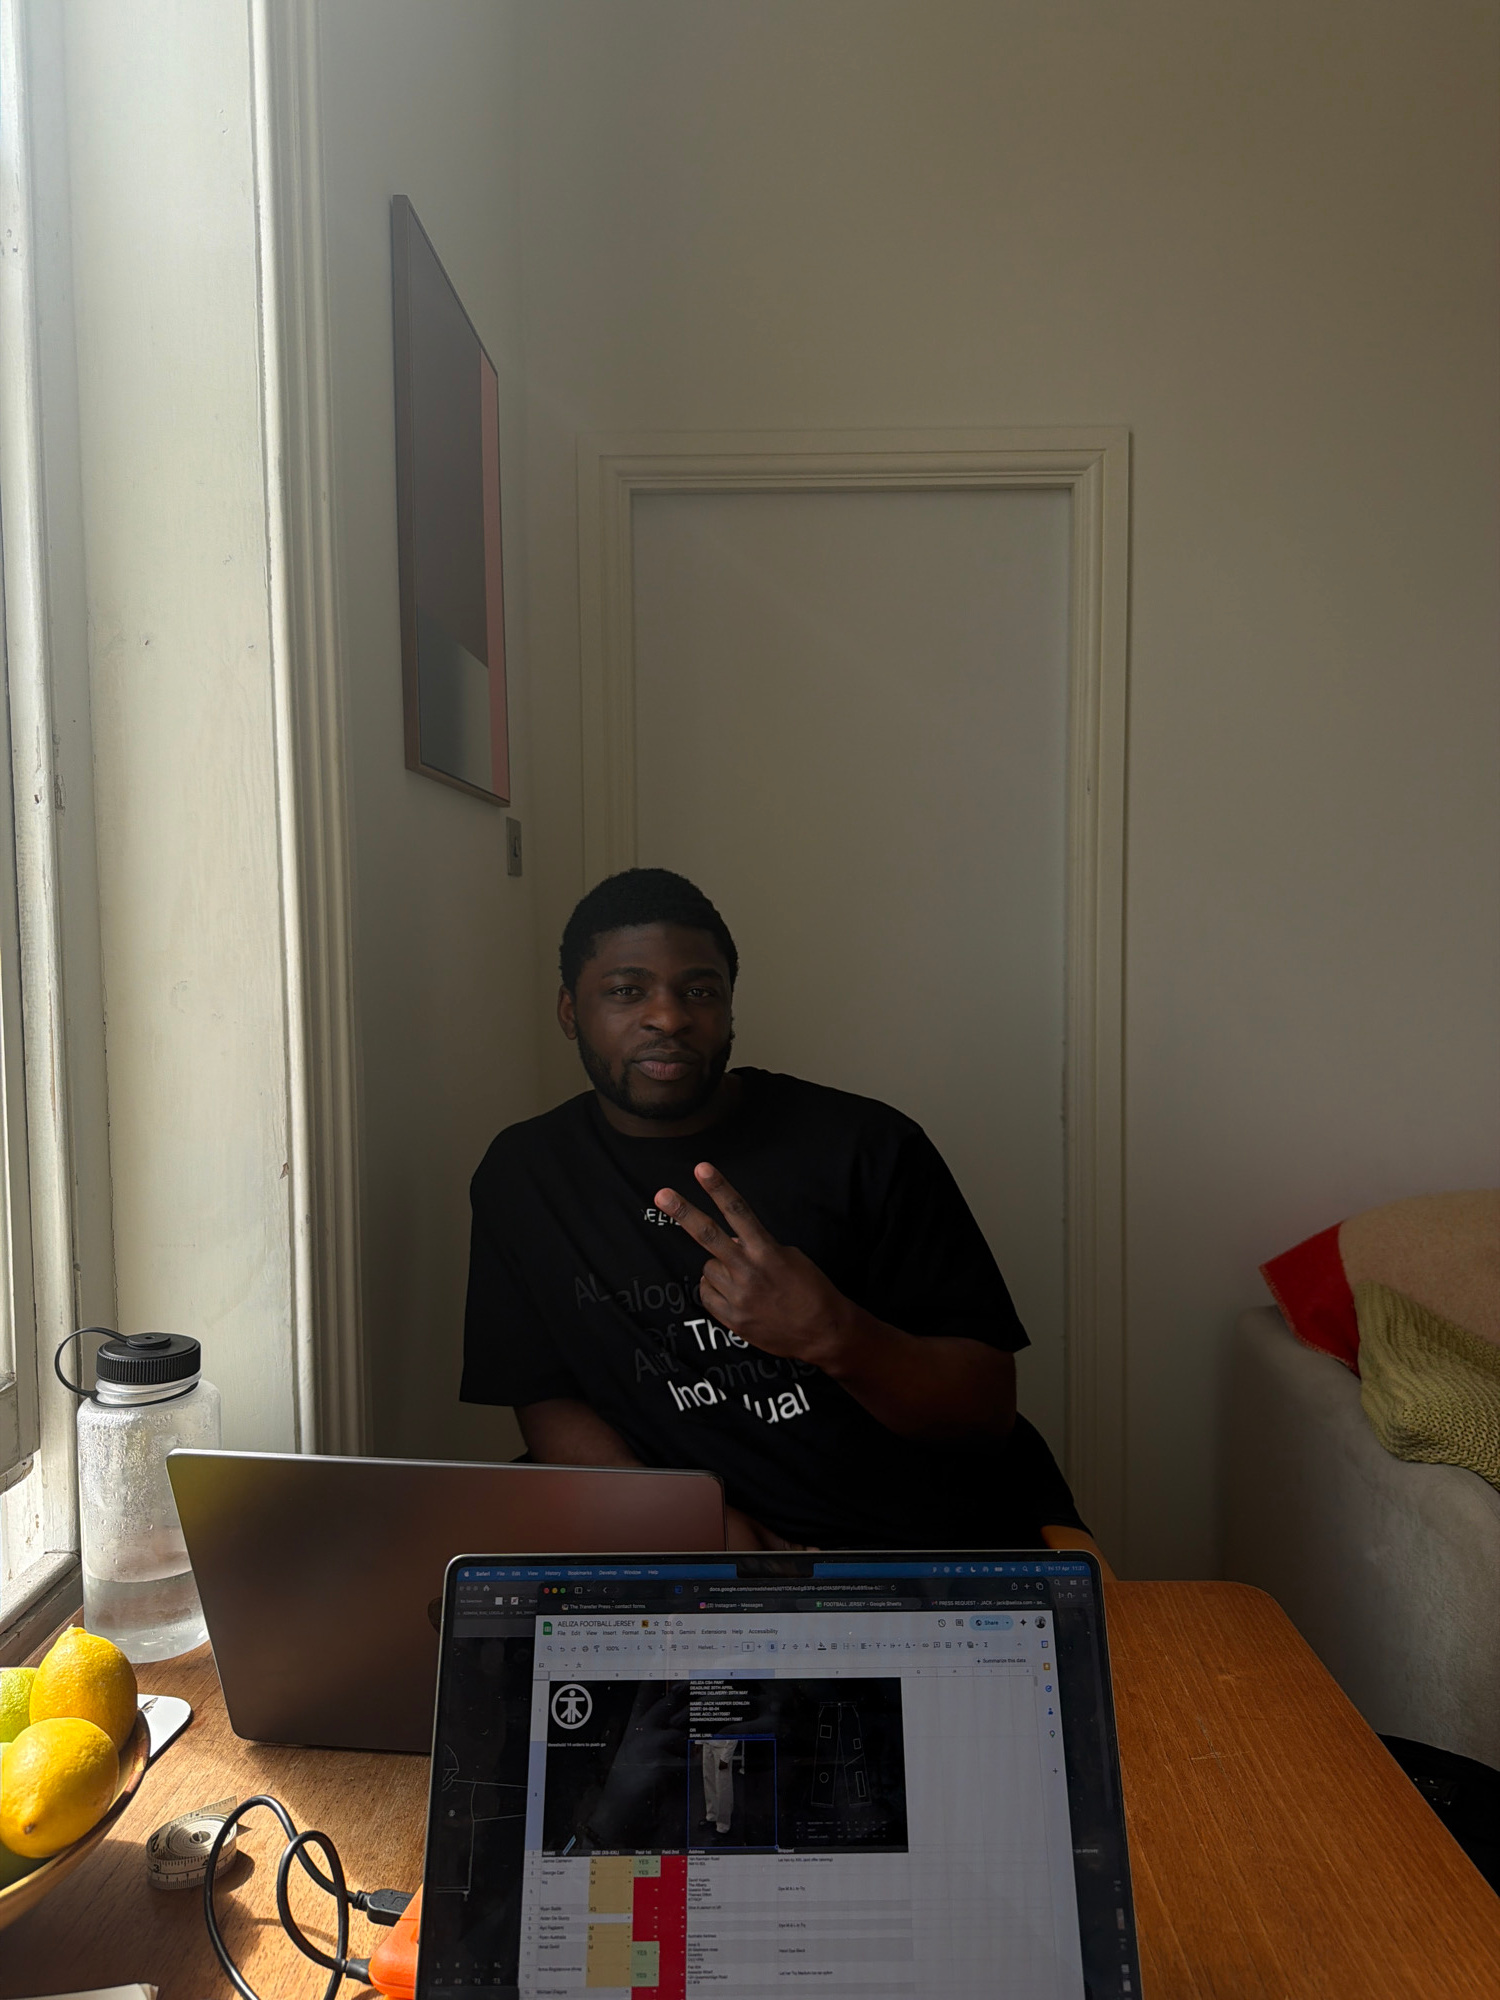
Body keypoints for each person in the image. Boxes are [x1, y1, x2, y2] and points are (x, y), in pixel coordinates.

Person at [461, 868, 1095, 1557]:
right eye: (626, 991)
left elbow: (986, 1412)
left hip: (897, 1552)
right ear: (568, 1011)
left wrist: (831, 1333)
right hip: (678, 1551)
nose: (668, 1018)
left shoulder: (866, 1147)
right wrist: (679, 1523)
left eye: (699, 991)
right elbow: (546, 1395)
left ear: (729, 1009)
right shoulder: (525, 1175)